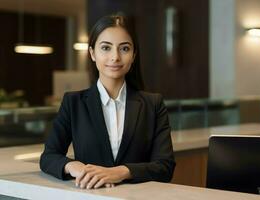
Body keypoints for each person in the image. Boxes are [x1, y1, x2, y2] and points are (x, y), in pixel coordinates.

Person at [40, 13, 175, 189]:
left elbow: (165, 166)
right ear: (92, 53)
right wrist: (76, 167)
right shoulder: (73, 103)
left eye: (124, 49)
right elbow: (49, 156)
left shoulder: (153, 104)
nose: (115, 57)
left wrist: (121, 171)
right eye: (106, 48)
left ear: (133, 55)